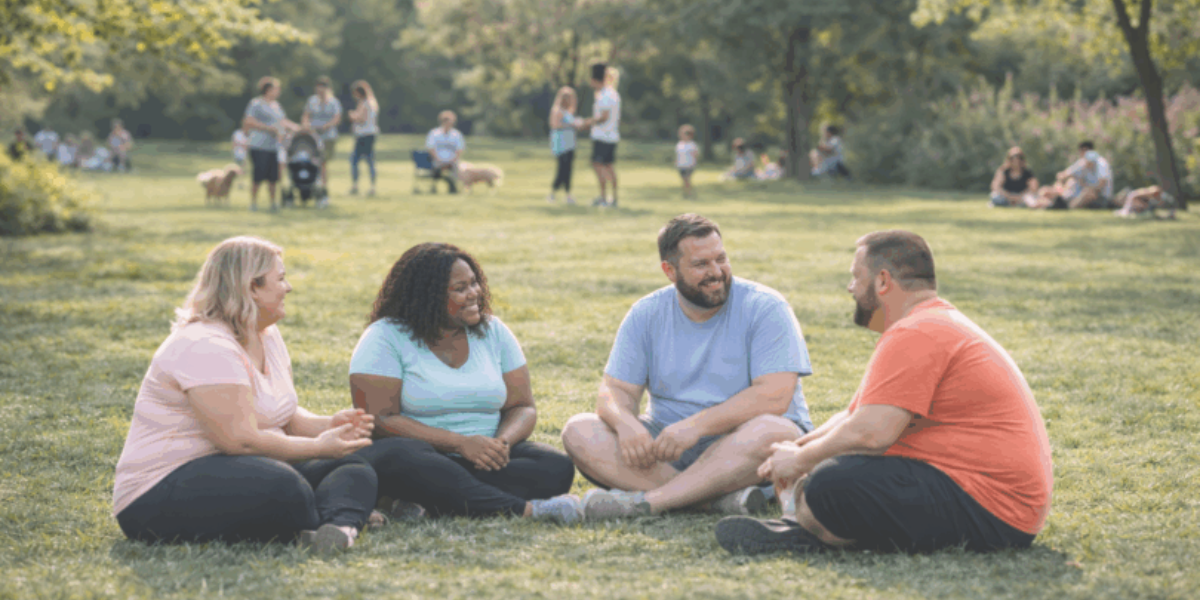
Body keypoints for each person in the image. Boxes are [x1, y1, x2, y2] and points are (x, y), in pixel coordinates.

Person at [715, 230, 1053, 556]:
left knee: (829, 484)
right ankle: (812, 528)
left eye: (855, 277)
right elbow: (852, 417)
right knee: (829, 474)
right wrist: (794, 451)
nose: (850, 287)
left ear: (883, 281)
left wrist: (801, 461)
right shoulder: (929, 323)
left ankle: (811, 528)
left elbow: (872, 433)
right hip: (996, 505)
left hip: (994, 509)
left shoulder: (916, 332)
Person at [111, 236, 380, 554]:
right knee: (284, 486)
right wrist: (317, 446)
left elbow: (282, 414)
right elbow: (239, 440)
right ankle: (339, 514)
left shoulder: (265, 333)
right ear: (252, 287)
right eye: (280, 279)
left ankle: (337, 528)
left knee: (354, 466)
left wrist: (327, 424)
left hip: (241, 468)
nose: (288, 287)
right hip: (158, 491)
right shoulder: (204, 344)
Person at [561, 214, 815, 520]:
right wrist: (625, 423)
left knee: (774, 430)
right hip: (669, 448)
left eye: (721, 259)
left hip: (745, 445)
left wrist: (696, 426)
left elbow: (774, 396)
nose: (716, 272)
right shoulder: (646, 313)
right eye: (701, 264)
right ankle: (711, 501)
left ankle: (651, 502)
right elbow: (615, 390)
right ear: (669, 270)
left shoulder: (766, 307)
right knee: (579, 431)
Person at [348, 243, 582, 523]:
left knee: (555, 467)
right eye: (460, 289)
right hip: (422, 455)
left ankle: (430, 502)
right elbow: (379, 420)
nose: (474, 294)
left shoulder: (494, 331)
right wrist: (459, 444)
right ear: (427, 297)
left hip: (485, 455)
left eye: (474, 283)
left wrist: (499, 444)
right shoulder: (384, 337)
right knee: (401, 457)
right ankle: (522, 510)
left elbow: (522, 407)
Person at [243, 76, 300, 212]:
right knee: (258, 175)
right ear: (268, 90)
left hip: (273, 146)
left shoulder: (276, 106)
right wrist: (270, 128)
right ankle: (253, 203)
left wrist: (298, 128)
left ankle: (273, 203)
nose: (278, 91)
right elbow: (249, 121)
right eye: (276, 89)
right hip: (258, 145)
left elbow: (283, 121)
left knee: (273, 177)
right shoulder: (256, 103)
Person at [580, 63, 621, 207]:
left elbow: (603, 117)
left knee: (600, 166)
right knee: (609, 167)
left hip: (603, 136)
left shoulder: (605, 94)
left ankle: (604, 198)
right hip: (610, 136)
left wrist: (586, 123)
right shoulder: (610, 93)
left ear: (595, 79)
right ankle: (612, 198)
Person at [301, 75, 342, 205]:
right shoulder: (312, 101)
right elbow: (306, 116)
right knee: (312, 162)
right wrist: (306, 126)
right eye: (318, 89)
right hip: (313, 136)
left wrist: (325, 126)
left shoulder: (333, 102)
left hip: (328, 137)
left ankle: (323, 190)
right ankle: (312, 187)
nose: (320, 92)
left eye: (322, 90)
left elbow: (337, 118)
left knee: (323, 163)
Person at [1050, 141, 1113, 209]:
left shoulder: (1101, 163)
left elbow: (1100, 186)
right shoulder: (1083, 162)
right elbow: (1062, 175)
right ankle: (1060, 202)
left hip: (1101, 197)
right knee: (1072, 181)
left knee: (1088, 192)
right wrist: (1060, 186)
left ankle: (1068, 207)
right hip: (1081, 195)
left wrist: (1083, 185)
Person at [347, 80, 380, 197]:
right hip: (370, 134)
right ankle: (372, 186)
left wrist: (352, 115)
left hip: (363, 135)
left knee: (355, 160)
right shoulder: (373, 102)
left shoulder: (365, 103)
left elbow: (361, 119)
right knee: (370, 161)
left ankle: (355, 185)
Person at [548, 86, 578, 204]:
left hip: (570, 144)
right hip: (561, 144)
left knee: (568, 170)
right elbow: (555, 125)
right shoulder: (557, 110)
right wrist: (572, 125)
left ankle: (568, 195)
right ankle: (552, 193)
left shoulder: (568, 112)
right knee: (562, 169)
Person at [425, 110, 465, 194]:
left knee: (458, 168)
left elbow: (460, 149)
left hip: (452, 161)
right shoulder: (434, 133)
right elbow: (430, 148)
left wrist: (453, 160)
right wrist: (438, 159)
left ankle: (454, 187)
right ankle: (439, 186)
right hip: (438, 161)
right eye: (445, 120)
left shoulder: (457, 134)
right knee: (437, 169)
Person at [675, 125, 699, 198]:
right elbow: (678, 154)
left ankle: (689, 194)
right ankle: (686, 193)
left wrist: (694, 163)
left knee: (687, 179)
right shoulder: (679, 144)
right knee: (684, 180)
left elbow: (696, 155)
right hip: (681, 165)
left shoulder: (692, 145)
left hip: (689, 165)